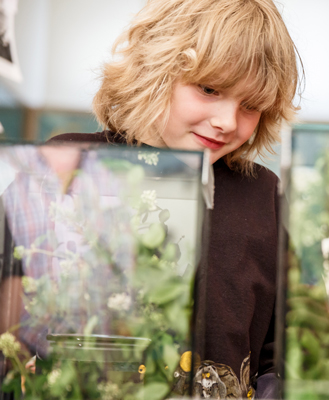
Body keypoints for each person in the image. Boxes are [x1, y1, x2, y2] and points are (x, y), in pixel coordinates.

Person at [51, 0, 301, 398]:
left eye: (250, 105)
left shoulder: (264, 194)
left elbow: (282, 350)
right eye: (209, 88)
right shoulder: (68, 165)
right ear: (155, 67)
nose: (227, 122)